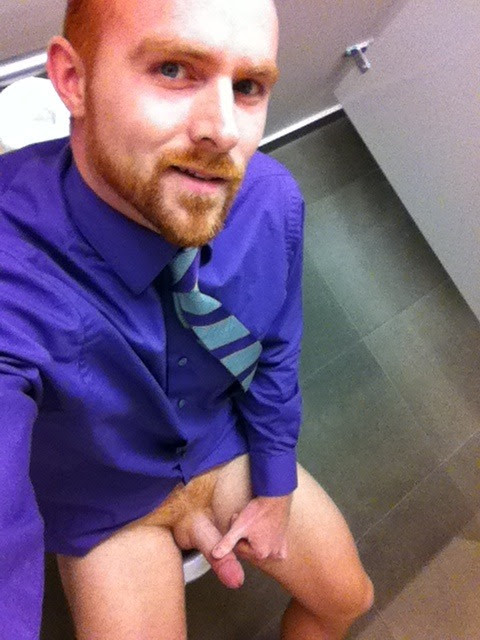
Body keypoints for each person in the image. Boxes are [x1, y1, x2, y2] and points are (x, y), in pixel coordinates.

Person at [0, 0, 374, 638]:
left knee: (348, 599)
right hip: (101, 495)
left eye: (248, 86)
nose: (223, 130)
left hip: (217, 446)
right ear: (72, 80)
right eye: (173, 69)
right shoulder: (14, 264)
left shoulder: (269, 200)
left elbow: (275, 350)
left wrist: (275, 480)